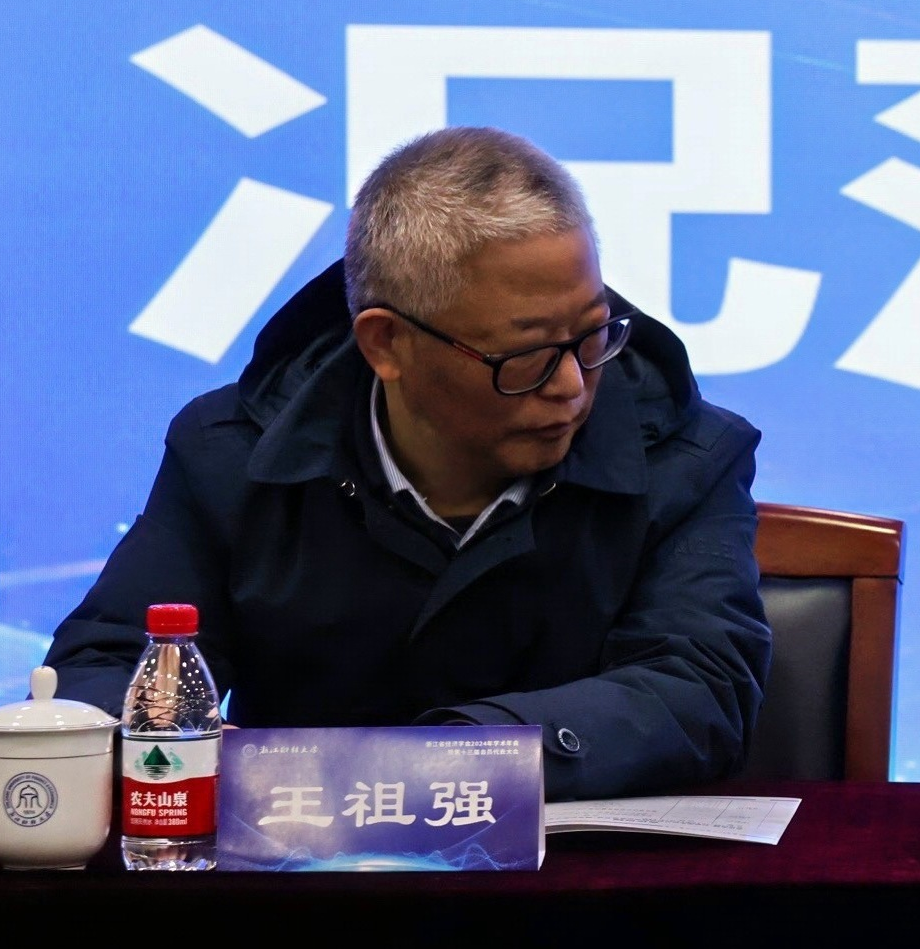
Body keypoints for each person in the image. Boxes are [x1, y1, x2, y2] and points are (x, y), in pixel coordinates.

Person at [50, 127, 769, 798]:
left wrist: (462, 756)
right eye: (525, 355)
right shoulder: (233, 453)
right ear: (387, 344)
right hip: (295, 861)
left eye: (592, 335)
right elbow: (105, 666)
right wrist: (190, 745)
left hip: (572, 873)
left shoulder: (687, 458)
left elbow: (698, 690)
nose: (571, 386)